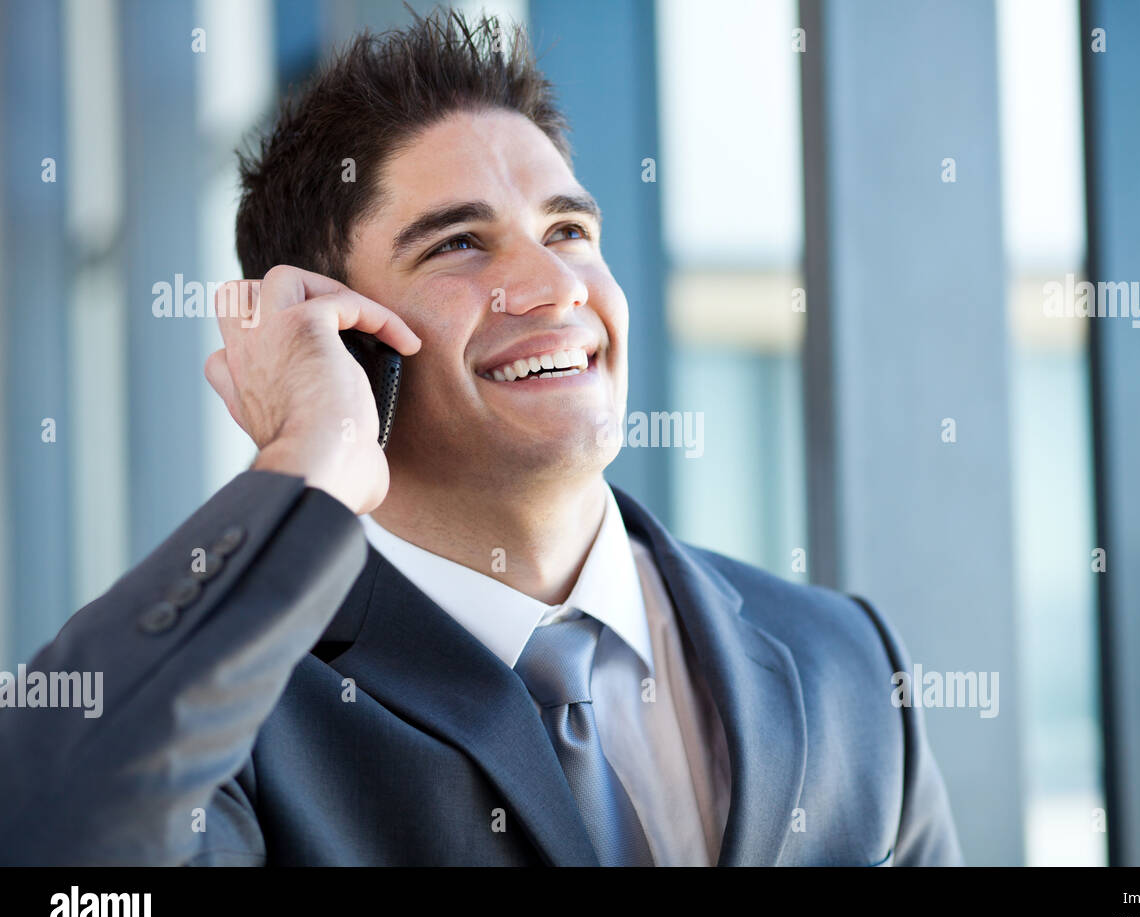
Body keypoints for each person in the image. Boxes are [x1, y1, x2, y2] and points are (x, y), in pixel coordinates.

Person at [0, 9, 961, 866]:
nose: (554, 286)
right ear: (342, 333)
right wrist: (310, 460)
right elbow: (53, 836)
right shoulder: (242, 715)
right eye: (459, 243)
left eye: (570, 231)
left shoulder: (845, 659)